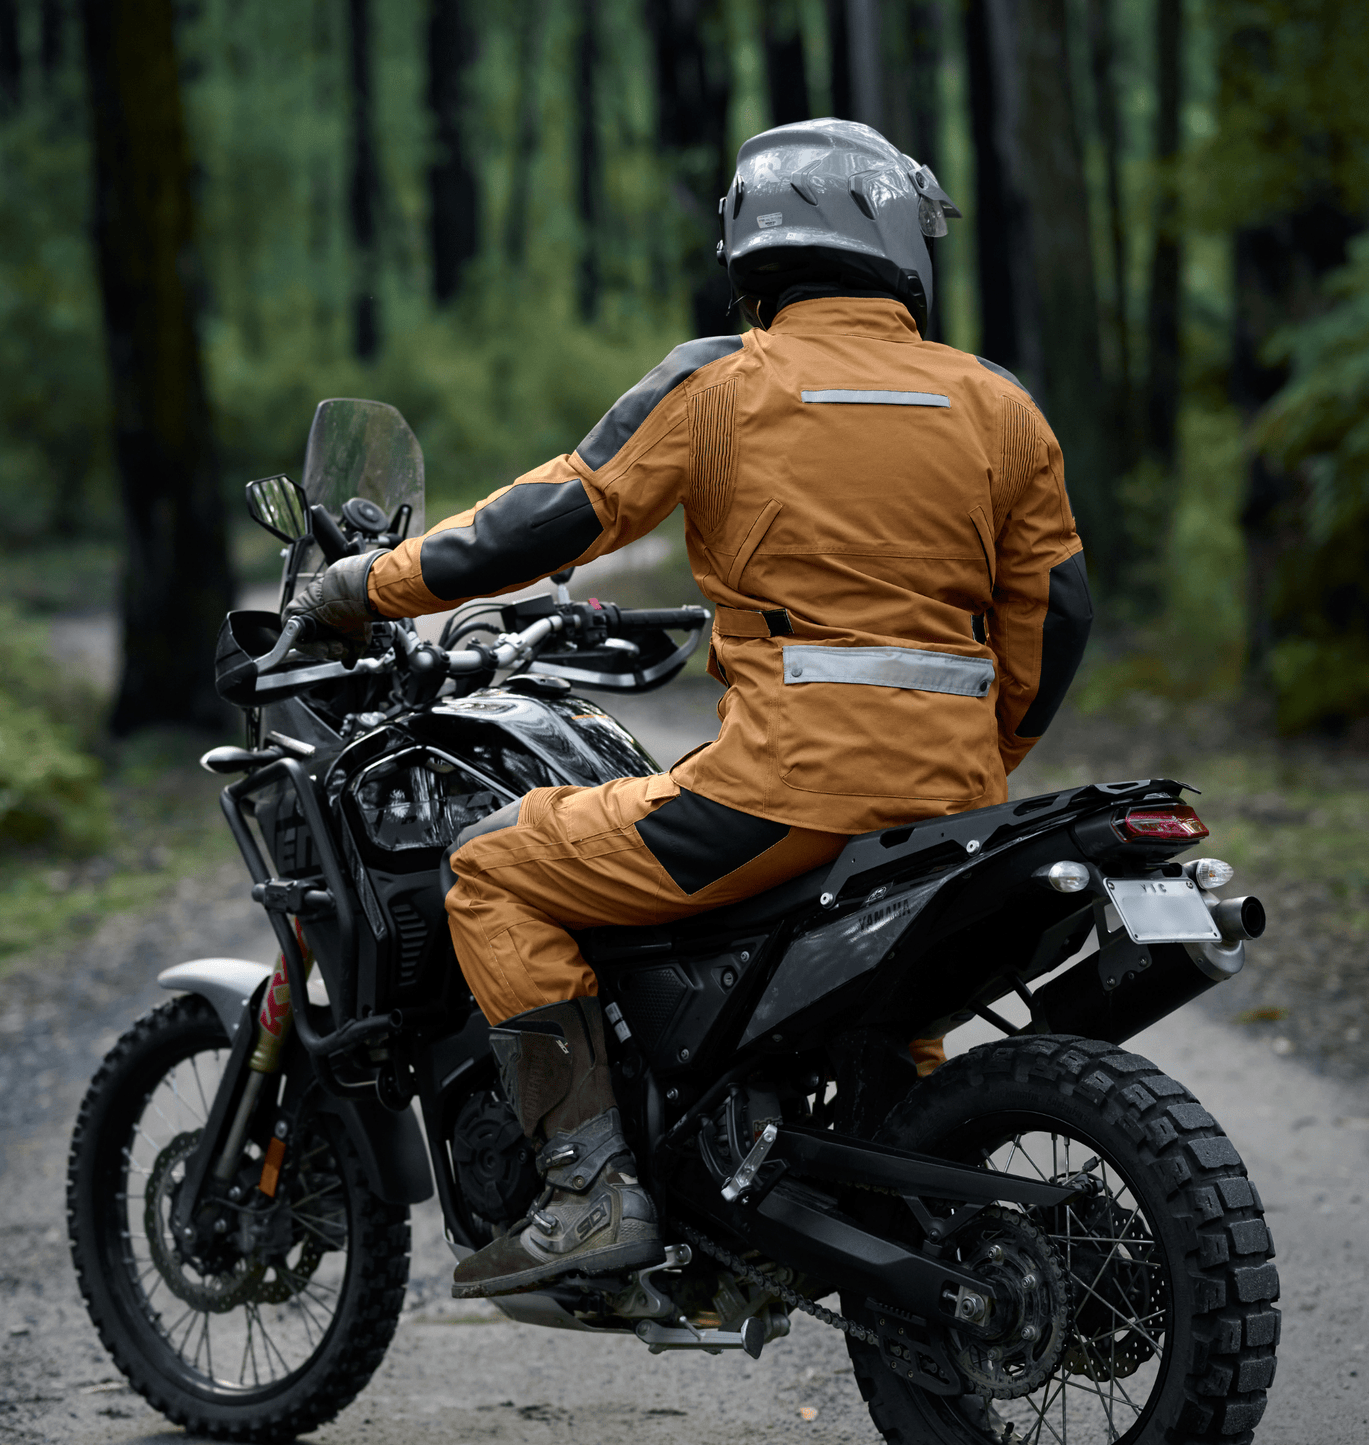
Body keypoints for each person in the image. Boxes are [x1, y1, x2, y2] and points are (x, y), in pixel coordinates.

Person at [284, 119, 1092, 1299]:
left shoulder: (718, 383)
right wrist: (982, 749)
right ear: (897, 246)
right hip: (951, 803)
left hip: (781, 793)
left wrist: (367, 584)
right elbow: (1055, 615)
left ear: (756, 243)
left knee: (494, 868)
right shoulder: (996, 403)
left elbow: (545, 521)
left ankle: (589, 1186)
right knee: (895, 1018)